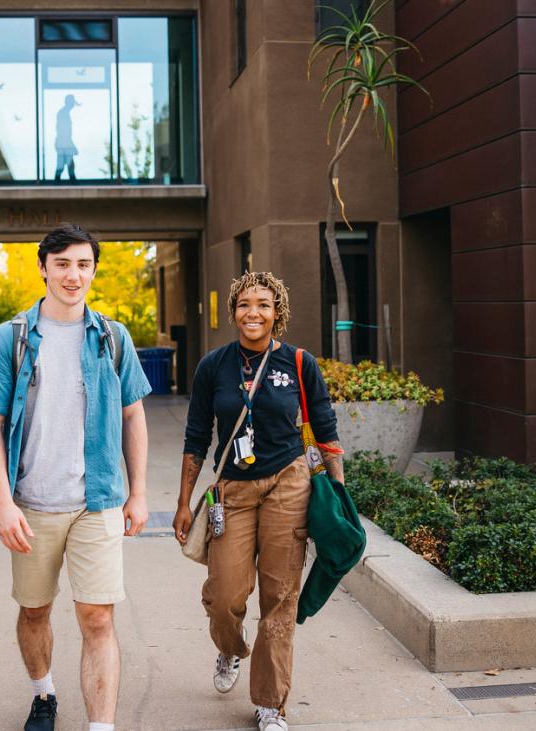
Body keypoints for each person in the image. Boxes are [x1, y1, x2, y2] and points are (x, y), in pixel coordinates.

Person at [0, 223, 152, 731]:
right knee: (34, 614)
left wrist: (138, 492)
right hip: (31, 503)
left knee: (98, 618)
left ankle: (101, 726)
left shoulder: (113, 337)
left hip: (97, 503)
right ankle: (43, 694)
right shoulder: (12, 339)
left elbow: (134, 414)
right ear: (44, 267)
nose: (75, 275)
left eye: (84, 265)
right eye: (64, 264)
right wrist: (4, 503)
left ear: (94, 269)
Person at [173, 272, 343, 731]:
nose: (254, 313)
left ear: (278, 313)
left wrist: (340, 496)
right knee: (226, 594)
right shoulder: (213, 366)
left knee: (280, 596)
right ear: (233, 311)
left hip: (289, 483)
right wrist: (185, 501)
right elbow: (196, 437)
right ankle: (229, 647)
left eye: (264, 305)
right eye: (245, 304)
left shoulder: (300, 363)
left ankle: (271, 703)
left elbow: (325, 433)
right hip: (233, 489)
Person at [54, 94, 79, 181]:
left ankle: (70, 180)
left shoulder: (64, 113)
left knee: (67, 164)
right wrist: (70, 145)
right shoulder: (63, 114)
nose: (73, 105)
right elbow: (63, 132)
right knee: (63, 164)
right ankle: (62, 181)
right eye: (72, 103)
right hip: (63, 143)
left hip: (64, 143)